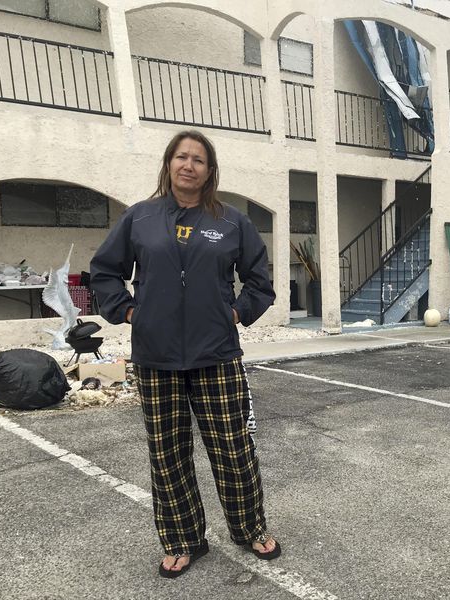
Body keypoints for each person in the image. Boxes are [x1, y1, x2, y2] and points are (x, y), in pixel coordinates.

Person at [90, 130, 280, 578]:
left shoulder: (232, 221)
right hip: (156, 356)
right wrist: (129, 312)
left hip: (216, 354)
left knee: (233, 448)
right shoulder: (140, 218)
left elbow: (260, 281)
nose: (188, 165)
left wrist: (235, 313)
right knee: (167, 454)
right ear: (169, 164)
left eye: (198, 159)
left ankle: (249, 527)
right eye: (181, 156)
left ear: (209, 171)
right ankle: (182, 539)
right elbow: (104, 272)